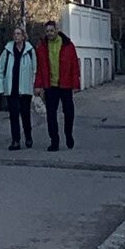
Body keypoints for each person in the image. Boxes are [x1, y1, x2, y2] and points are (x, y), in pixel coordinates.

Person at [35, 19, 81, 151]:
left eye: (51, 30)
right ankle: (54, 141)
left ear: (57, 30)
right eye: (47, 31)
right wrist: (38, 85)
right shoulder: (42, 47)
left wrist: (75, 84)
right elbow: (40, 68)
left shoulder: (68, 45)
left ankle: (68, 134)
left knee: (69, 112)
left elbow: (74, 66)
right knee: (51, 114)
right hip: (51, 85)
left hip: (65, 84)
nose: (49, 33)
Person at [0, 22, 37, 151]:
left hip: (25, 89)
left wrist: (34, 86)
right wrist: (1, 87)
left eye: (18, 34)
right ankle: (15, 140)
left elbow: (35, 70)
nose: (16, 36)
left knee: (25, 115)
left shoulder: (30, 51)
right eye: (14, 34)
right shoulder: (7, 51)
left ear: (24, 36)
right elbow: (0, 69)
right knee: (13, 115)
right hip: (11, 88)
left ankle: (28, 136)